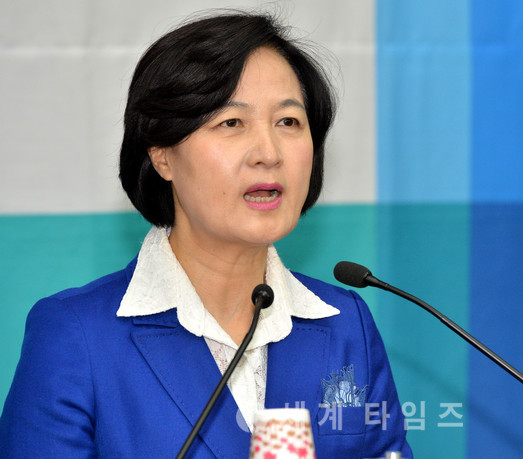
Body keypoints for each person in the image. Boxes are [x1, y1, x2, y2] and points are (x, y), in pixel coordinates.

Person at [0, 12, 411, 458]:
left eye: (289, 122)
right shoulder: (77, 335)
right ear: (162, 155)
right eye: (231, 123)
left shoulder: (347, 324)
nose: (269, 153)